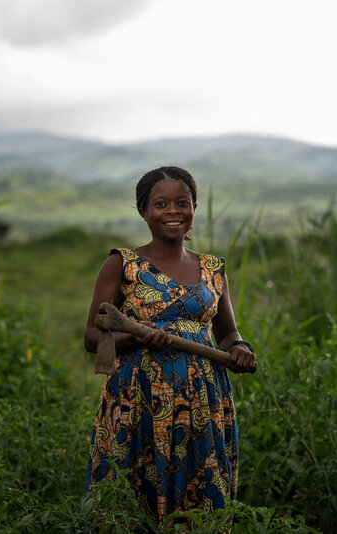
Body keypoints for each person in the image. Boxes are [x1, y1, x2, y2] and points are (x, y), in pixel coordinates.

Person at [83, 166, 257, 523]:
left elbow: (227, 332)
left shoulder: (213, 269)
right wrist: (138, 336)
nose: (173, 211)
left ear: (194, 207)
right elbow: (91, 336)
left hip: (204, 399)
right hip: (138, 398)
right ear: (143, 211)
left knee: (199, 497)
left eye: (183, 202)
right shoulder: (122, 264)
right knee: (133, 496)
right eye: (161, 203)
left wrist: (241, 348)